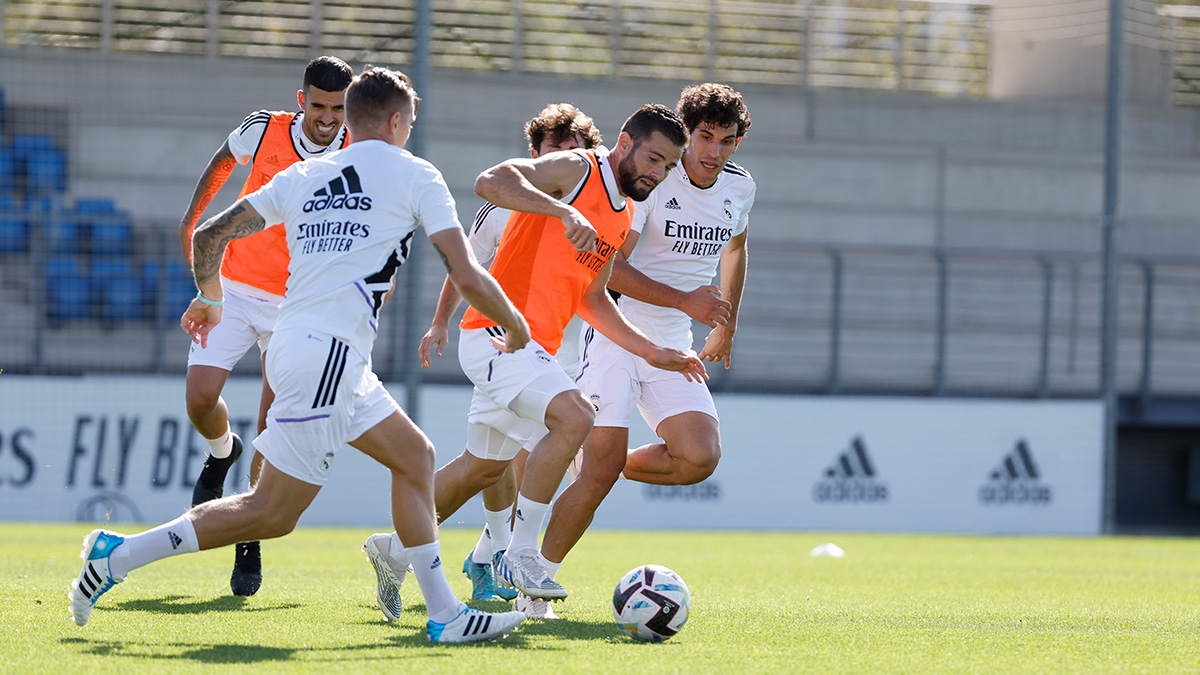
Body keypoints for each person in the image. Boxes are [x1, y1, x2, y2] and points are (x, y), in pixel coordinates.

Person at [70, 66, 530, 644]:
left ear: (351, 116)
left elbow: (211, 233)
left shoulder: (309, 173)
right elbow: (465, 272)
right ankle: (116, 556)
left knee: (415, 456)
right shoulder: (417, 175)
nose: (411, 130)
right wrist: (514, 323)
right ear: (394, 122)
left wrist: (211, 296)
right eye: (409, 121)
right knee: (272, 513)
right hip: (328, 357)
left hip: (308, 347)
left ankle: (444, 613)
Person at [360, 102, 706, 618]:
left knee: (481, 468)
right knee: (576, 416)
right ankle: (521, 557)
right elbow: (489, 180)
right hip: (499, 336)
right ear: (625, 143)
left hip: (532, 348)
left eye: (668, 167)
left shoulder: (626, 210)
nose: (657, 174)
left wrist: (653, 351)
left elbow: (593, 298)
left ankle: (391, 548)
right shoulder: (579, 169)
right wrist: (564, 210)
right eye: (653, 159)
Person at [539, 83, 755, 581]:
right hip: (617, 331)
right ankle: (536, 582)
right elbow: (608, 268)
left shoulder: (741, 187)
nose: (714, 151)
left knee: (700, 457)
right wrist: (685, 299)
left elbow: (737, 250)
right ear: (687, 135)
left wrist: (728, 323)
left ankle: (596, 458)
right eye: (705, 137)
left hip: (675, 336)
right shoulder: (655, 180)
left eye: (727, 141)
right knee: (600, 472)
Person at [416, 103, 603, 618]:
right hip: (507, 342)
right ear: (536, 154)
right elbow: (464, 266)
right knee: (525, 455)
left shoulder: (595, 209)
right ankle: (511, 560)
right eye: (555, 149)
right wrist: (439, 323)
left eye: (576, 149)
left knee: (488, 464)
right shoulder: (504, 204)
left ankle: (419, 549)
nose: (567, 157)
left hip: (558, 347)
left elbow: (595, 286)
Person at [178, 55, 353, 597]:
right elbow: (222, 163)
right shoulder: (265, 128)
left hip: (297, 305)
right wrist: (192, 220)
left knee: (274, 428)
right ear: (302, 100)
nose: (328, 117)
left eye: (338, 109)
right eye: (319, 105)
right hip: (233, 287)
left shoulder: (358, 153)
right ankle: (220, 452)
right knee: (200, 399)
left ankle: (247, 541)